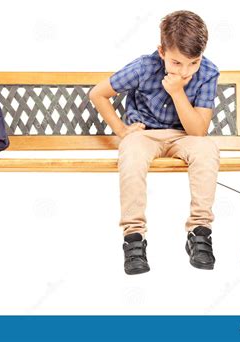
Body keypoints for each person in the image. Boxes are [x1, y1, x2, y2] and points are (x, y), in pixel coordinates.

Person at [89, 10, 220, 275]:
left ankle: (200, 232)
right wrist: (122, 130)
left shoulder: (207, 72)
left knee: (207, 150)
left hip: (185, 137)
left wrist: (177, 92)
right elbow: (98, 94)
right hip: (145, 134)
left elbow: (198, 131)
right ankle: (134, 238)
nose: (185, 71)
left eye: (193, 62)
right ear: (162, 52)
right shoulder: (144, 67)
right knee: (132, 154)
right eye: (176, 63)